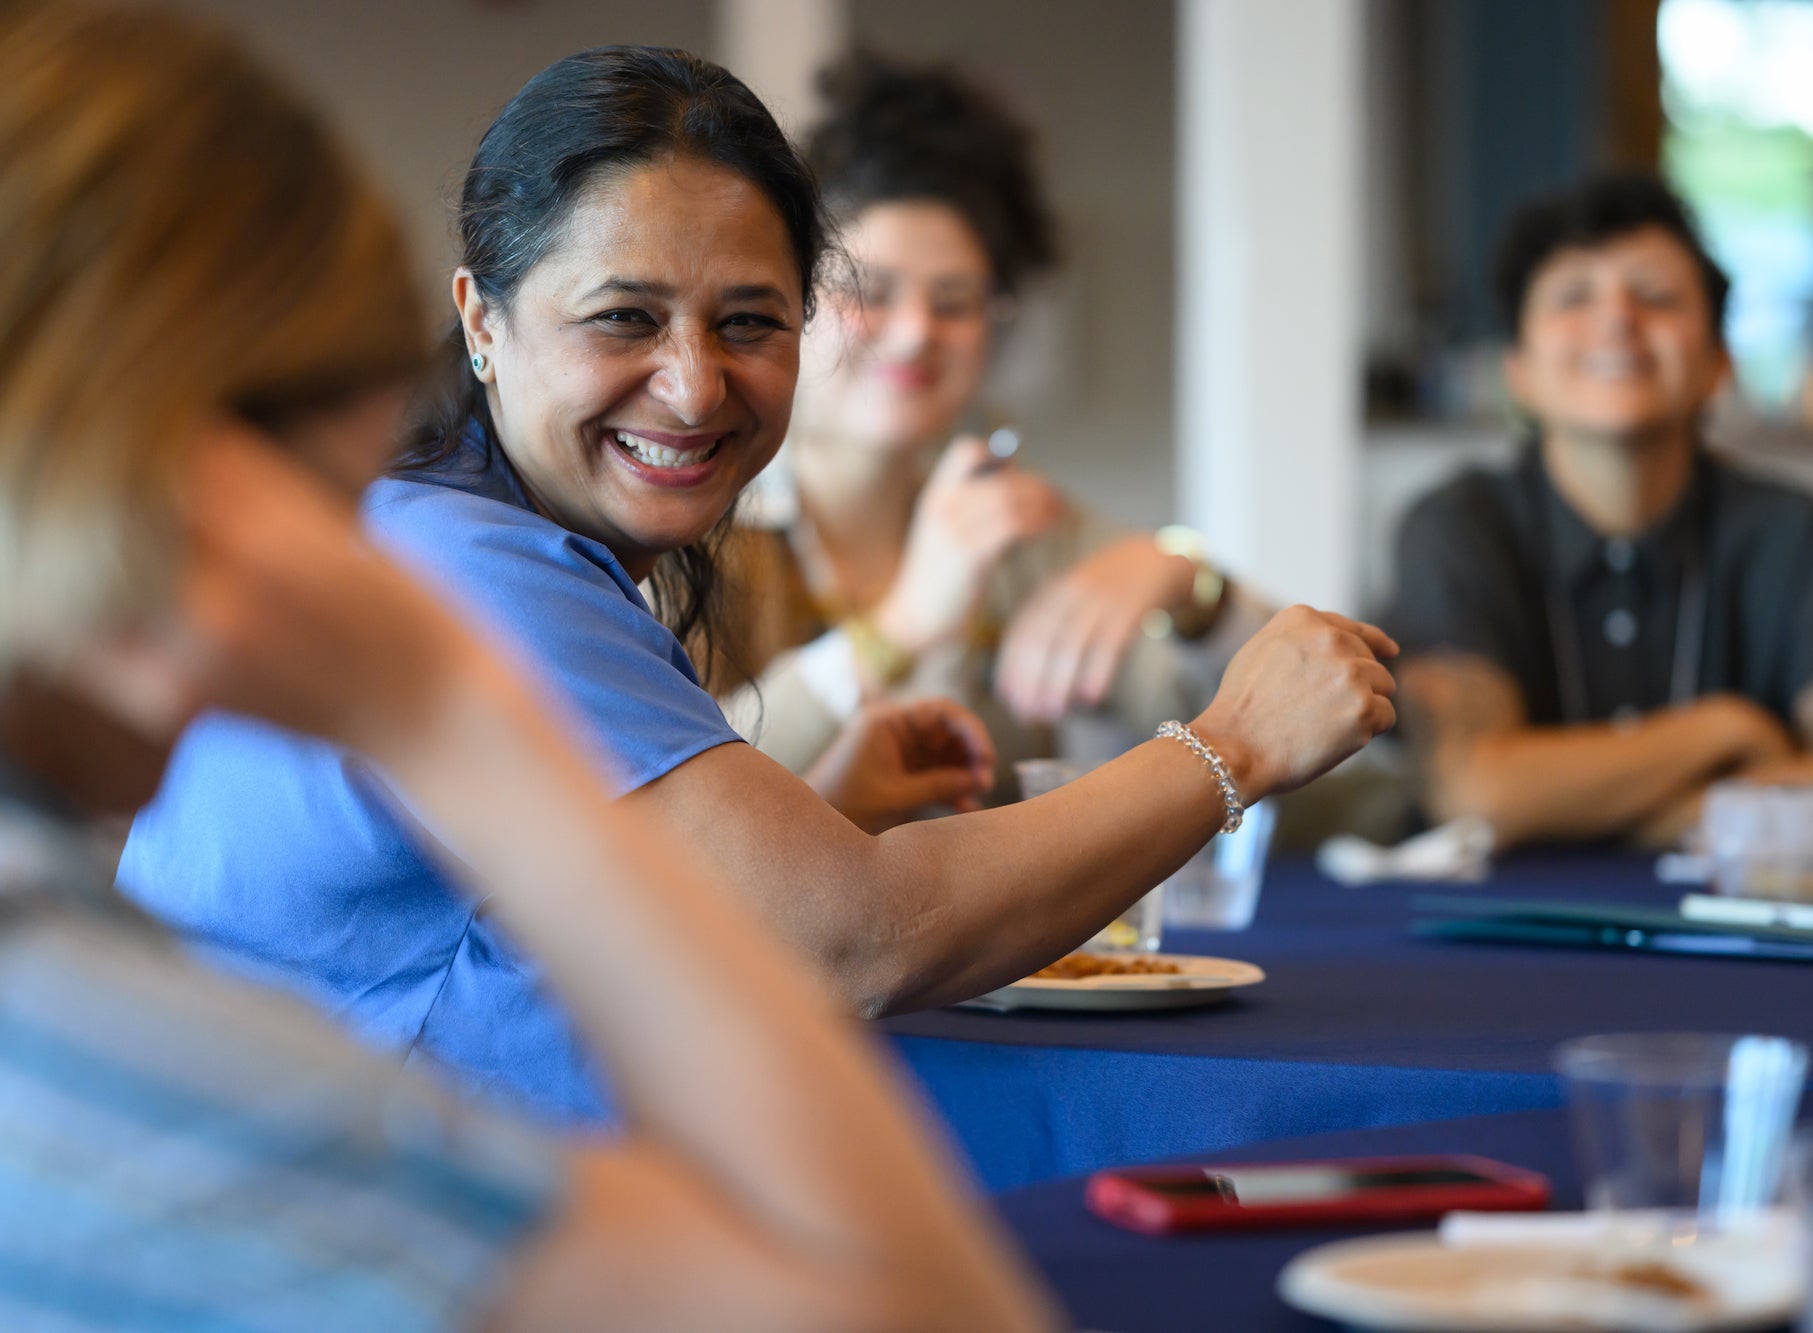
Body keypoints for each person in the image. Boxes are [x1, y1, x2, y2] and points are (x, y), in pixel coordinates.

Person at [2, 5, 1054, 1327]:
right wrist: (449, 710)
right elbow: (921, 1305)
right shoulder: (86, 1042)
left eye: (747, 323)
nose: (691, 388)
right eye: (315, 448)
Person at [119, 43, 1398, 1127]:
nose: (692, 386)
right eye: (622, 317)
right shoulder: (466, 564)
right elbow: (857, 940)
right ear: (481, 321)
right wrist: (1230, 745)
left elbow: (530, 916)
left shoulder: (465, 530)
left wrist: (801, 811)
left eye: (748, 323)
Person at [708, 53, 1271, 799]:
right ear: (790, 297)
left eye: (953, 300)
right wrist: (900, 626)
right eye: (870, 290)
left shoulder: (1019, 525)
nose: (915, 334)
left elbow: (1281, 743)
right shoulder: (693, 519)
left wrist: (1182, 579)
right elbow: (680, 793)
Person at [1388, 173, 1813, 850]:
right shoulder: (1456, 526)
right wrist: (1728, 730)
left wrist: (1585, 805)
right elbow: (1474, 794)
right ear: (1518, 369)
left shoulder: (1794, 530)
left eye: (1657, 295)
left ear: (1718, 363)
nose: (1616, 318)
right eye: (1574, 296)